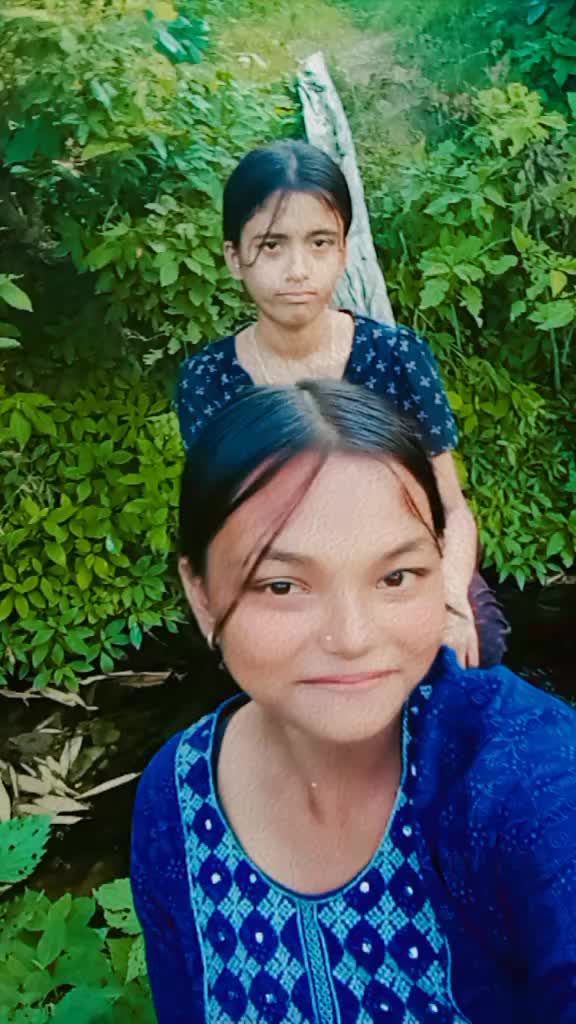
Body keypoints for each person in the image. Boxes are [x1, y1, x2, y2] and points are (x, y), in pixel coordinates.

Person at [132, 380, 576, 1024]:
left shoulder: (529, 778)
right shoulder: (176, 796)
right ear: (201, 596)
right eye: (282, 586)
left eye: (396, 577)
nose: (352, 638)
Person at [176, 139, 504, 669]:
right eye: (272, 245)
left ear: (344, 251)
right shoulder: (209, 380)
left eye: (320, 243)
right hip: (286, 580)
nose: (298, 270)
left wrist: (448, 602)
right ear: (234, 257)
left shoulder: (396, 357)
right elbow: (219, 527)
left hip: (398, 567)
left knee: (475, 647)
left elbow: (452, 509)